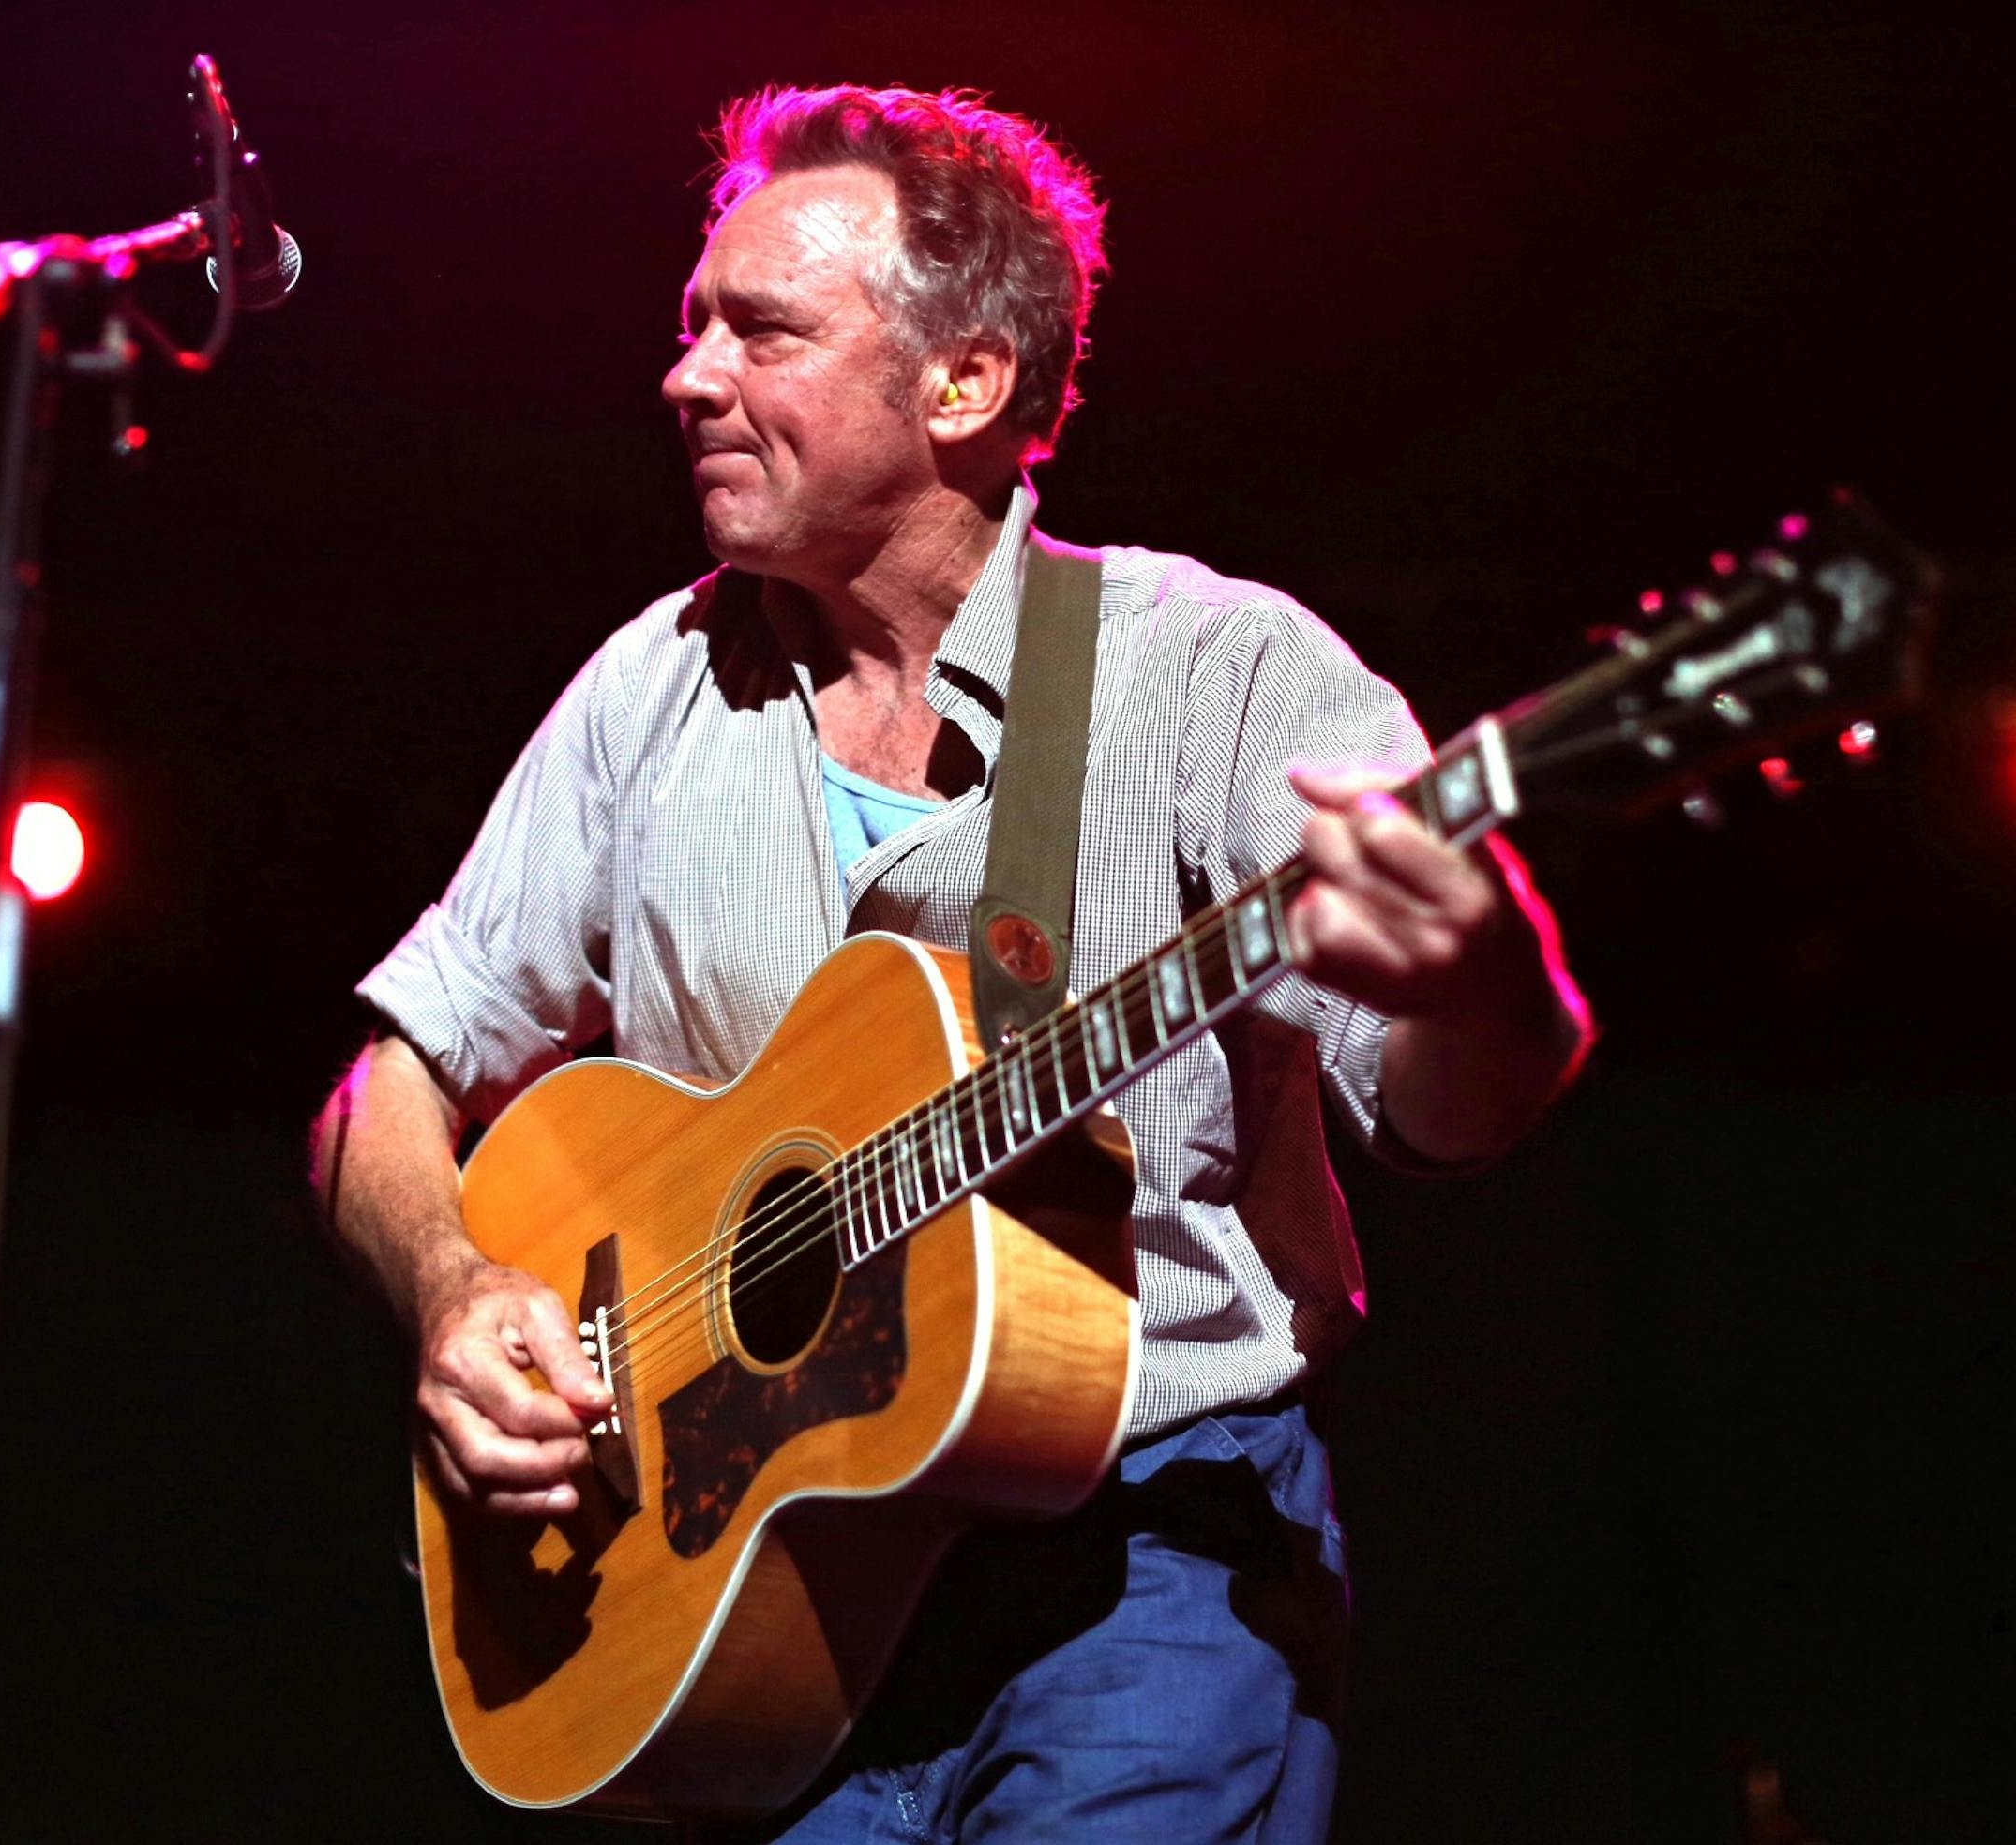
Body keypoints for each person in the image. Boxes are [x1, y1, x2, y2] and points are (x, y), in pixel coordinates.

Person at [313, 83, 1591, 1842]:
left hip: (1145, 1567)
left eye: (760, 331)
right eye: (696, 326)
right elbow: (397, 1074)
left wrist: (1481, 975)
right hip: (757, 1601)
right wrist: (456, 1287)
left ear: (965, 385)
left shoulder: (1210, 673)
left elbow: (1450, 1112)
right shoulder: (648, 693)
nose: (687, 379)